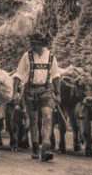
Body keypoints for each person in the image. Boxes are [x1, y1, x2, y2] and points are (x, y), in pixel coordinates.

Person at [13, 33, 62, 162]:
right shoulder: (26, 56)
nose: (33, 45)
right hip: (30, 90)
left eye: (35, 43)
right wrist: (15, 93)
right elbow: (18, 75)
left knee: (48, 116)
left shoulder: (51, 57)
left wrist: (58, 93)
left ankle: (45, 146)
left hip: (46, 89)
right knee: (34, 120)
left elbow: (56, 76)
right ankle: (35, 145)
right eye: (32, 43)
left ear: (41, 43)